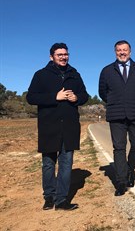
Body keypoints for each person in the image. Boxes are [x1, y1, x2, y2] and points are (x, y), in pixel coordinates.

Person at [27, 43, 89, 211]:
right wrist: (55, 96)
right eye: (59, 54)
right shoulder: (41, 75)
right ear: (51, 57)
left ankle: (61, 200)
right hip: (49, 126)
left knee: (66, 164)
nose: (63, 57)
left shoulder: (75, 75)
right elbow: (31, 97)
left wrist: (77, 98)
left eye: (65, 54)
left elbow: (85, 95)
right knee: (48, 163)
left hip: (69, 127)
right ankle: (49, 197)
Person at [99, 40, 135, 196]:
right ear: (115, 52)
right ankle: (121, 182)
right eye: (119, 50)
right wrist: (116, 102)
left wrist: (134, 100)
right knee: (119, 147)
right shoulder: (107, 71)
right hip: (116, 115)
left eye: (125, 50)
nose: (122, 52)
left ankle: (129, 168)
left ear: (130, 51)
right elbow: (103, 92)